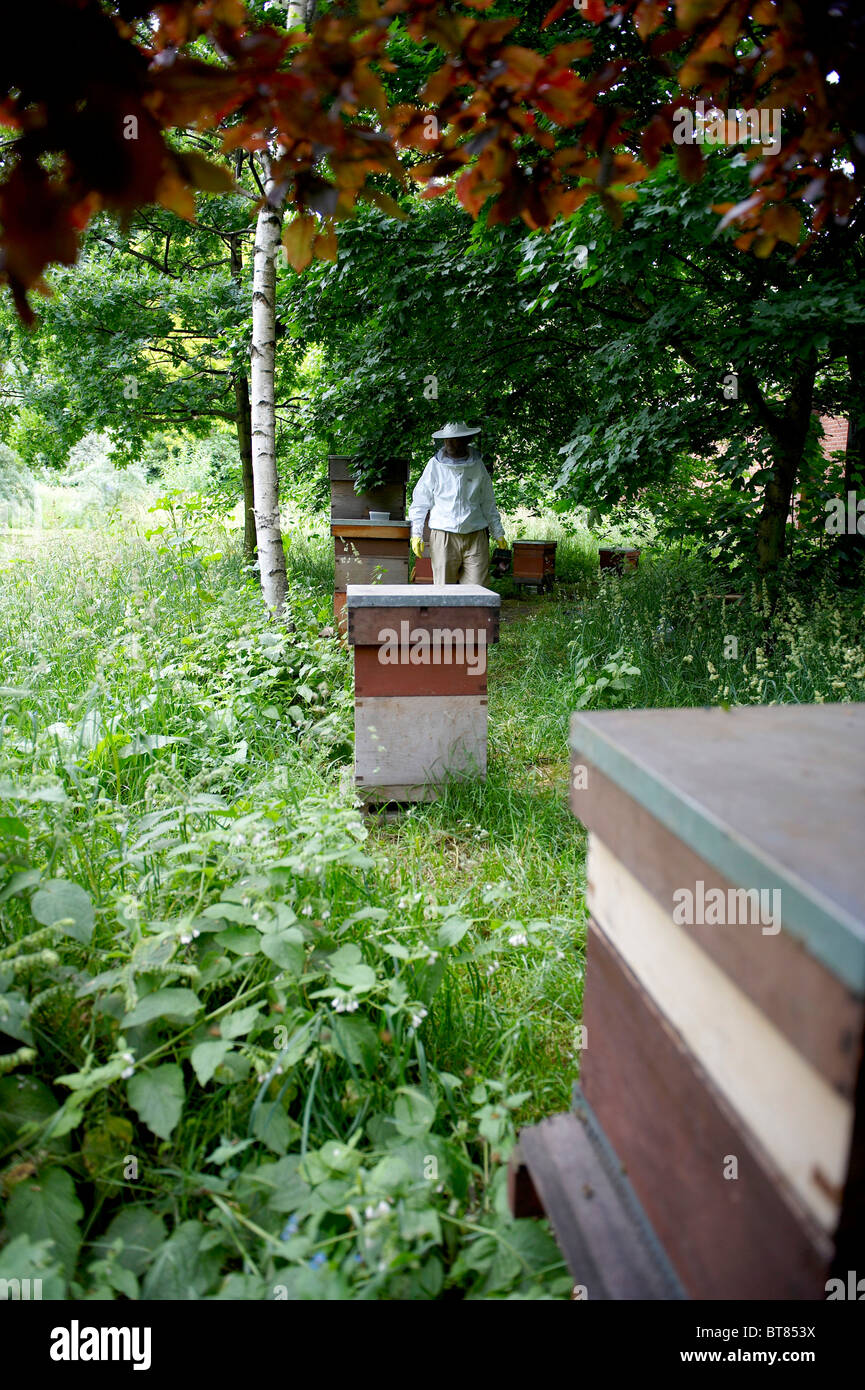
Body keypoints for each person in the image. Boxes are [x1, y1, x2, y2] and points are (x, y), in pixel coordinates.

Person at [409, 421, 508, 586]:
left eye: (454, 439)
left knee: (478, 592)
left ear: (466, 440)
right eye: (446, 439)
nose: (449, 443)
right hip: (444, 536)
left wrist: (498, 532)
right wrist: (416, 534)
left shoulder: (478, 466)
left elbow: (488, 502)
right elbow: (420, 503)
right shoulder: (434, 466)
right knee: (444, 593)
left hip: (475, 535)